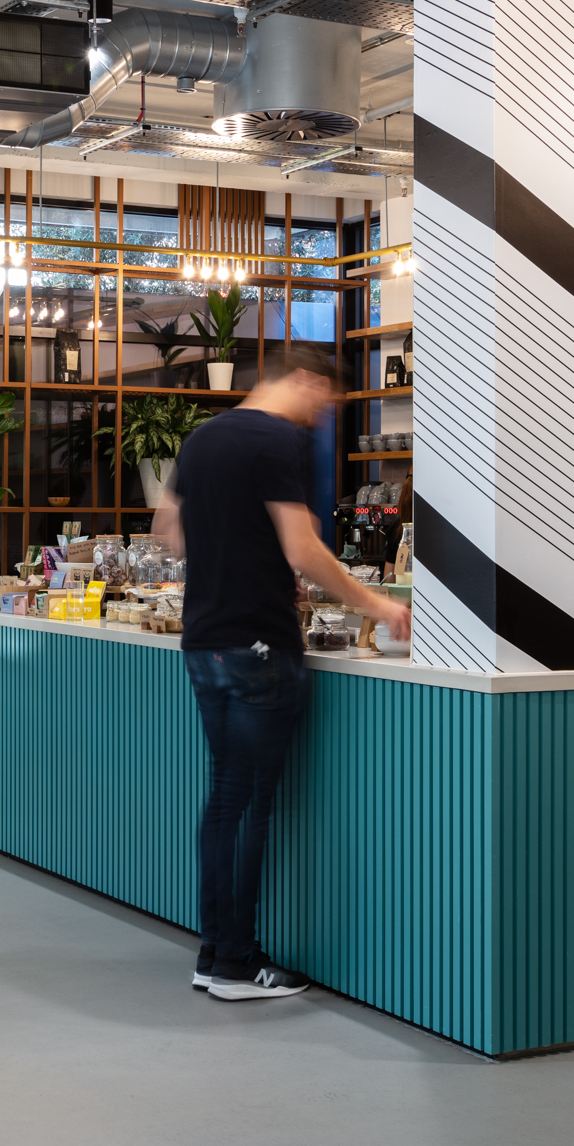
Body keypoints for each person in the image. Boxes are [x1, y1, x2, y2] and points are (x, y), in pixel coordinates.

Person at [156, 344, 410, 1001]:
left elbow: (169, 531)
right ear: (303, 380)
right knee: (247, 804)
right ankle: (236, 963)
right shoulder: (274, 441)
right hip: (258, 647)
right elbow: (303, 547)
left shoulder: (202, 438)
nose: (321, 415)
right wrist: (378, 604)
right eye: (324, 400)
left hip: (205, 642)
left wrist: (248, 561)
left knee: (225, 800)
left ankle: (215, 954)